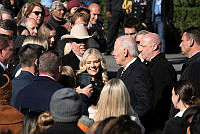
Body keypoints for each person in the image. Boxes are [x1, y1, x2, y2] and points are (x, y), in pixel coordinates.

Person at [140, 32, 177, 130]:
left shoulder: (162, 68)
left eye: (143, 46)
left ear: (154, 47)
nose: (140, 49)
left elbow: (161, 99)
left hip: (157, 124)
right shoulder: (151, 65)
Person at [112, 35, 153, 118]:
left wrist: (130, 120)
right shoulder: (121, 70)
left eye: (115, 50)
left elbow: (144, 103)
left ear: (125, 52)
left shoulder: (139, 71)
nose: (113, 53)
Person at [179, 27, 200, 97]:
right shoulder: (192, 62)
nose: (180, 45)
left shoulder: (196, 65)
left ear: (191, 42)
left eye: (182, 41)